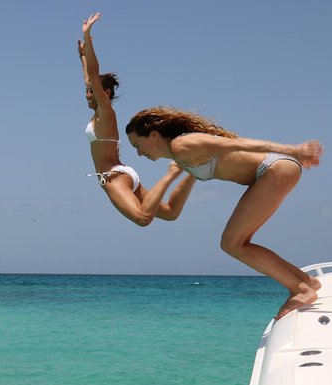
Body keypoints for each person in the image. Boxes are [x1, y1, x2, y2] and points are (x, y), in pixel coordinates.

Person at [125, 106, 324, 320]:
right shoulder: (181, 158)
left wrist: (293, 150)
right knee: (237, 243)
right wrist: (140, 192)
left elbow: (238, 144)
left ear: (153, 135)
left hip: (273, 168)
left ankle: (301, 290)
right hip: (270, 173)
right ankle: (306, 281)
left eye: (138, 145)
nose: (138, 153)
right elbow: (172, 212)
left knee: (232, 244)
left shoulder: (182, 145)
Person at [79, 12, 196, 227]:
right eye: (86, 91)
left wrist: (87, 38)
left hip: (114, 178)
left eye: (90, 91)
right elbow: (89, 78)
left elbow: (93, 77)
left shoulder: (106, 112)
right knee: (170, 213)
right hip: (123, 174)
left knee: (143, 219)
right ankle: (194, 170)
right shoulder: (100, 114)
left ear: (104, 93)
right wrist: (83, 56)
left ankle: (172, 173)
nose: (86, 93)